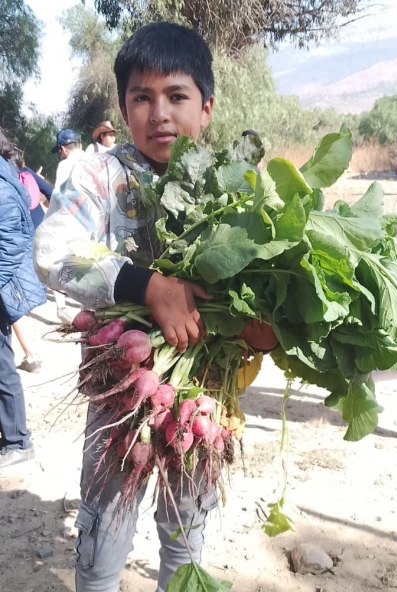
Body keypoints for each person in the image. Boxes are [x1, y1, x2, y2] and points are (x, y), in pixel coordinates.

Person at [33, 22, 276, 592]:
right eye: (142, 97)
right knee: (104, 537)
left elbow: (267, 293)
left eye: (177, 96)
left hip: (202, 399)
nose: (159, 113)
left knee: (187, 532)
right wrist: (146, 285)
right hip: (119, 389)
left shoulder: (239, 186)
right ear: (123, 107)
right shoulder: (101, 174)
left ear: (207, 107)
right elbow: (51, 249)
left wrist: (262, 330)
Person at [0, 126, 37, 468]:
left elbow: (14, 244)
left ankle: (18, 441)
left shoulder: (3, 187)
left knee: (2, 365)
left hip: (1, 289)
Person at [50, 128, 90, 325]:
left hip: (73, 224)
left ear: (64, 149)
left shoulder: (65, 165)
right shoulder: (95, 158)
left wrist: (48, 223)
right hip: (95, 226)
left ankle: (62, 309)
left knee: (57, 263)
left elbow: (58, 197)